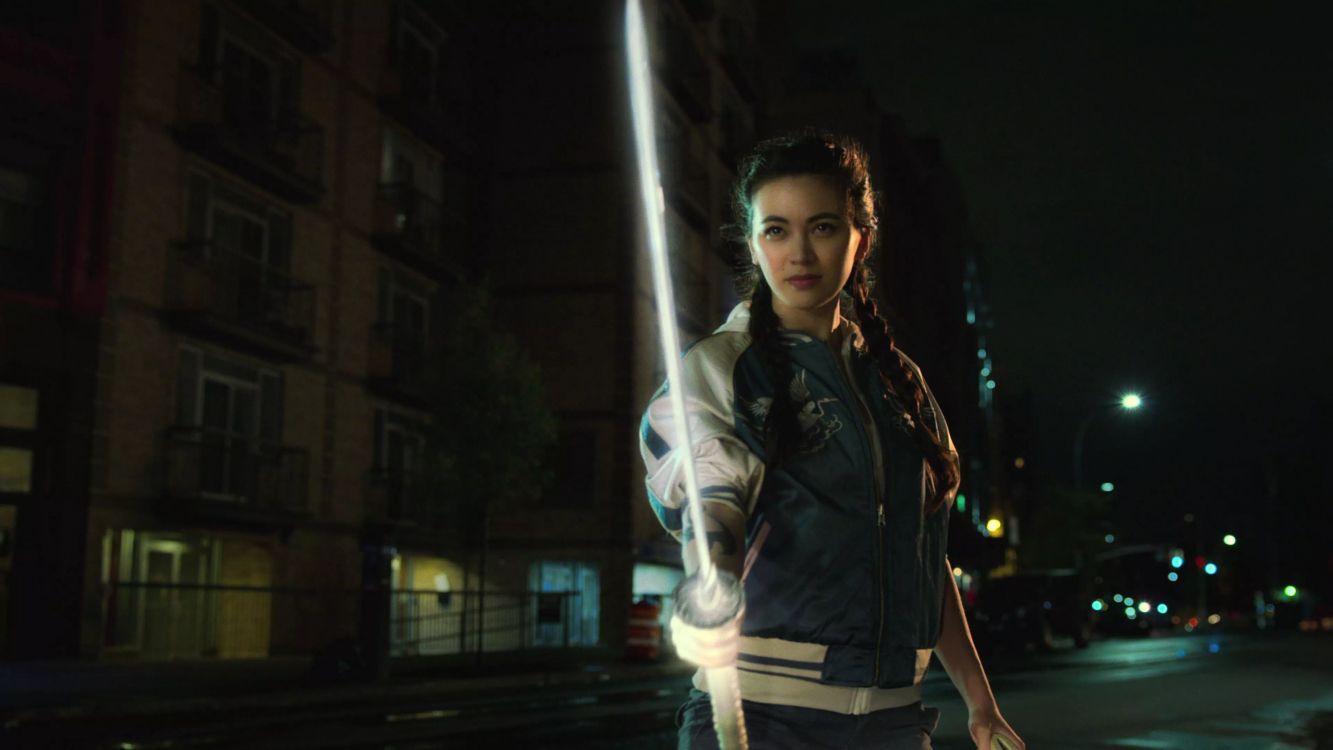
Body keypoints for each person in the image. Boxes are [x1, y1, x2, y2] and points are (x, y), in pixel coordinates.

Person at [639, 131, 1024, 749]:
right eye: (776, 230)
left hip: (897, 722)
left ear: (859, 238)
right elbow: (713, 503)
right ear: (754, 243)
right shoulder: (721, 366)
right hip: (757, 719)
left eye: (821, 227)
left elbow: (925, 555)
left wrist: (982, 703)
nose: (799, 253)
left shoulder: (902, 384)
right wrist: (708, 592)